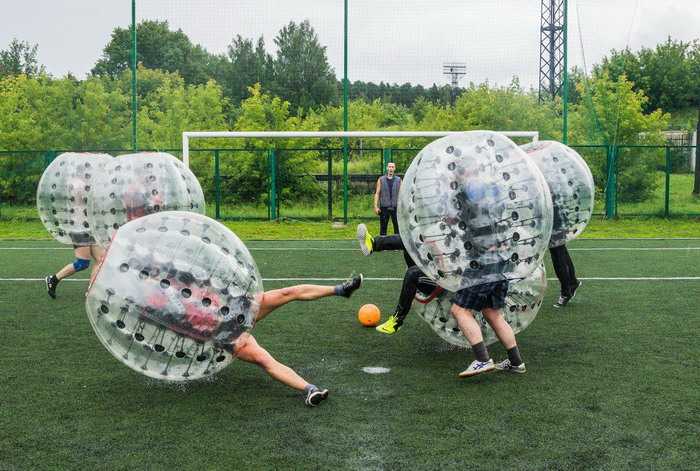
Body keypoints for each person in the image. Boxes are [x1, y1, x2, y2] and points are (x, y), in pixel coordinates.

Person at [231, 273, 363, 406]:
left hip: (238, 310)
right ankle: (311, 389)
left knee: (287, 293)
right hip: (225, 334)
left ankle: (341, 290)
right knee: (263, 359)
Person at [356, 224, 437, 334]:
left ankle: (396, 322)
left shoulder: (461, 236)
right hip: (433, 271)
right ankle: (373, 244)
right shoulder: (449, 229)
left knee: (412, 273)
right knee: (410, 239)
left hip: (443, 283)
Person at [373, 162, 401, 235]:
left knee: (398, 229)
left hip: (396, 207)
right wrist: (376, 207)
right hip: (384, 207)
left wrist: (403, 207)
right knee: (383, 229)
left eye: (392, 167)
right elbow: (377, 193)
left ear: (394, 168)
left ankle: (397, 244)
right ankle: (382, 245)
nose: (391, 168)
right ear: (387, 168)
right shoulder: (381, 179)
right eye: (389, 167)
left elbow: (403, 194)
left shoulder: (399, 180)